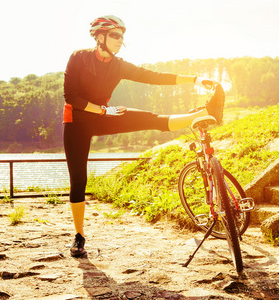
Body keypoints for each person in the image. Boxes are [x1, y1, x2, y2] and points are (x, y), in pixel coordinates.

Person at [63, 15, 224, 257]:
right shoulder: (78, 57)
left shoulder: (119, 65)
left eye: (122, 36)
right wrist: (102, 110)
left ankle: (201, 114)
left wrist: (195, 79)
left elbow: (155, 77)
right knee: (79, 181)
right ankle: (79, 235)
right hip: (76, 122)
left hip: (105, 114)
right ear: (100, 36)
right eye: (115, 35)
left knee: (149, 117)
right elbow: (71, 97)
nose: (120, 40)